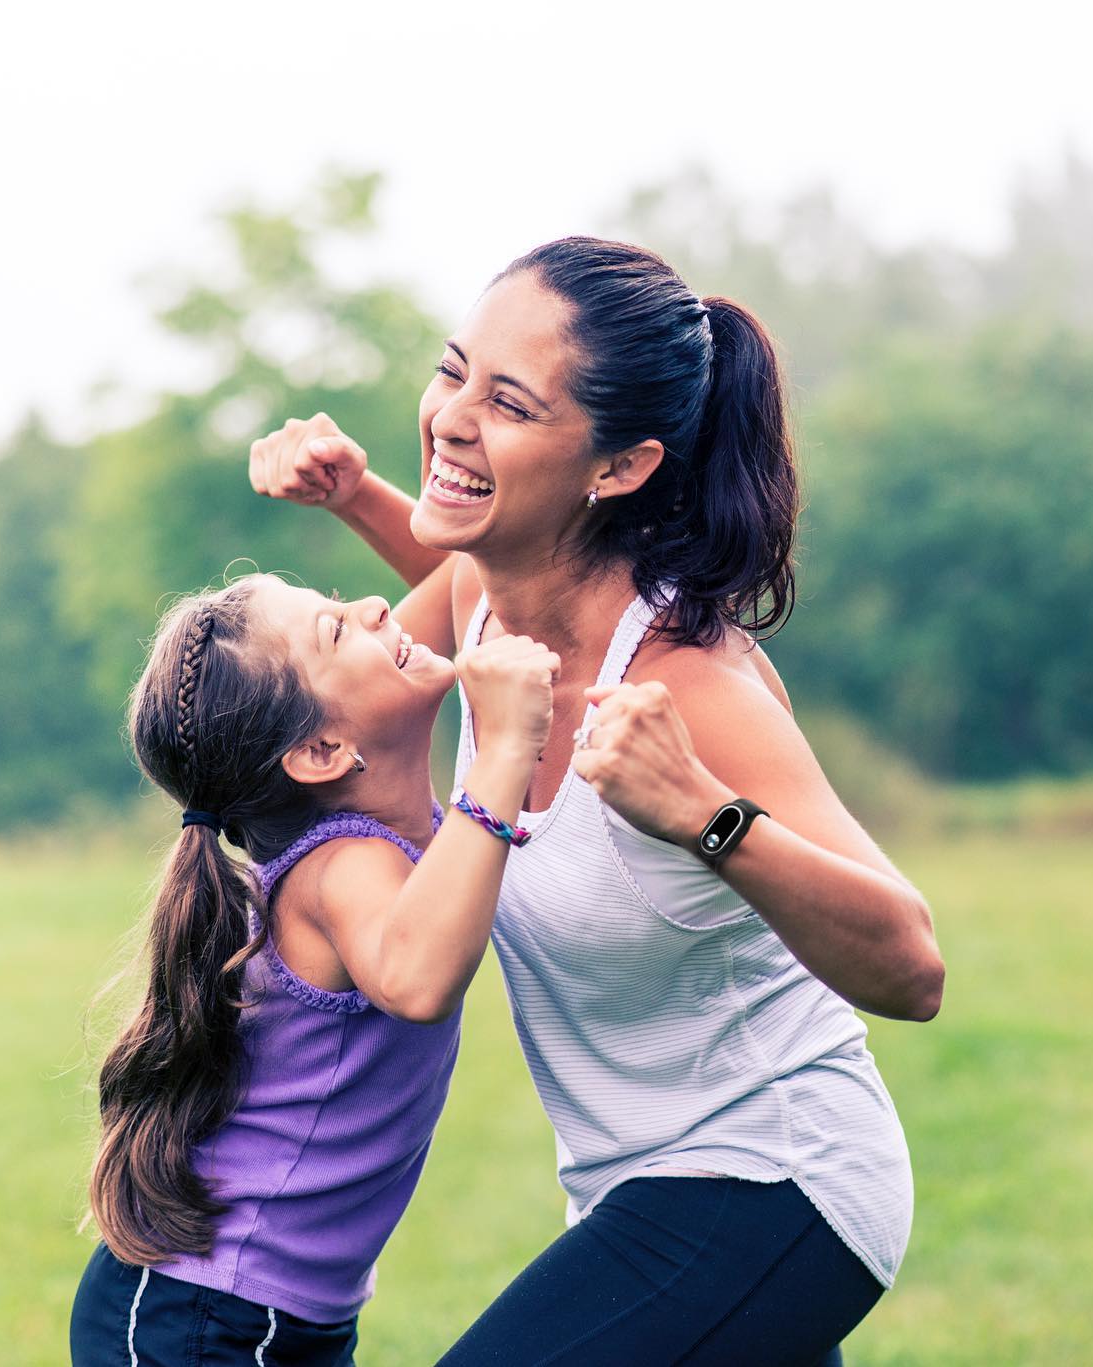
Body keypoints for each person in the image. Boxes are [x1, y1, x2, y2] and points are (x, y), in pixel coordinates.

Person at [248, 236, 946, 1365]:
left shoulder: (688, 685)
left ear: (617, 468)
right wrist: (359, 493)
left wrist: (707, 814)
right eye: (453, 370)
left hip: (775, 1177)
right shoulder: (480, 605)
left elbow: (912, 966)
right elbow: (391, 649)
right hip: (635, 1186)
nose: (453, 415)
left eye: (510, 402)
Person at [69, 571, 559, 1366]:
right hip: (208, 1317)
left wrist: (357, 491)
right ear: (323, 751)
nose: (376, 607)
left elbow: (470, 570)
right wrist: (503, 751)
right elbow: (419, 979)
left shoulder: (375, 831)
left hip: (257, 1311)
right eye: (336, 627)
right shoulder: (342, 866)